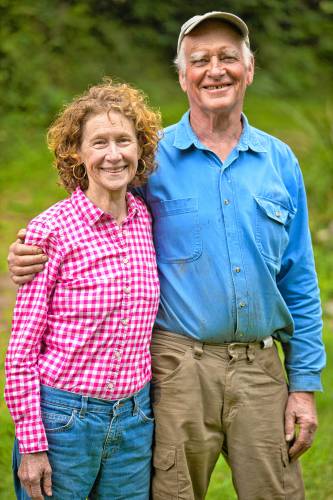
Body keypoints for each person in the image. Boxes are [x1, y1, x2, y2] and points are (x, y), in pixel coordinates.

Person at [8, 11, 326, 500]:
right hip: (179, 367)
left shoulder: (280, 161)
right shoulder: (152, 161)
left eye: (228, 58)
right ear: (182, 76)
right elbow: (91, 207)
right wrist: (27, 253)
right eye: (199, 60)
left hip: (261, 371)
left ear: (250, 67)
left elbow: (299, 277)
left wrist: (302, 384)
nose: (214, 70)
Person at [5, 80, 161, 500]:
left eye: (124, 141)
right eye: (99, 142)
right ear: (77, 152)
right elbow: (21, 351)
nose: (114, 154)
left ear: (140, 149)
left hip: (134, 420)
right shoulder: (49, 231)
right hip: (65, 421)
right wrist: (33, 448)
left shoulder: (146, 219)